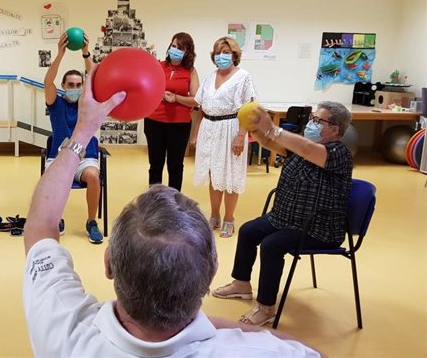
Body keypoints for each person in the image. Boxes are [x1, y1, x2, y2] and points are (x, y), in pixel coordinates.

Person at [22, 64, 324, 357]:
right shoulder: (248, 351)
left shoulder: (66, 330)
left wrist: (83, 132)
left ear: (109, 262)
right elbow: (315, 353)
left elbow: (40, 225)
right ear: (211, 270)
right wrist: (219, 327)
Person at [212, 101, 353, 327]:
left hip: (317, 226)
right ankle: (241, 284)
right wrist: (255, 128)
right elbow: (269, 142)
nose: (311, 124)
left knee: (271, 245)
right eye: (312, 118)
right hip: (285, 218)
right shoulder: (305, 147)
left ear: (335, 129)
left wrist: (273, 128)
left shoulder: (338, 153)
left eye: (318, 121)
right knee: (249, 231)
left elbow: (306, 149)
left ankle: (266, 307)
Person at [192, 36, 256, 238]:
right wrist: (195, 133)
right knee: (214, 174)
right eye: (218, 52)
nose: (222, 56)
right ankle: (214, 215)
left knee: (231, 175)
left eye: (226, 52)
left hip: (232, 129)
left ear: (234, 55)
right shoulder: (210, 77)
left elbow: (248, 109)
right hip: (209, 128)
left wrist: (241, 135)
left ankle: (229, 218)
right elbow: (200, 107)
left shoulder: (243, 77)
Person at [44, 32, 102, 244]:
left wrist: (86, 53)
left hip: (84, 158)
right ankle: (56, 219)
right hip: (59, 158)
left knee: (94, 176)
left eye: (79, 85)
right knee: (53, 179)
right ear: (64, 86)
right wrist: (60, 54)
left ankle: (91, 222)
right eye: (71, 85)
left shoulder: (87, 103)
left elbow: (94, 78)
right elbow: (47, 81)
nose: (76, 88)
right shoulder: (56, 102)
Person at [143, 32, 199, 191]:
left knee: (175, 166)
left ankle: (174, 202)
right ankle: (155, 200)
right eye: (173, 46)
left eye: (180, 48)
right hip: (154, 122)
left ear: (188, 52)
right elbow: (145, 85)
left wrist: (176, 98)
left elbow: (196, 99)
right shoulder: (159, 66)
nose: (175, 50)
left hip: (179, 125)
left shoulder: (191, 71)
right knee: (155, 164)